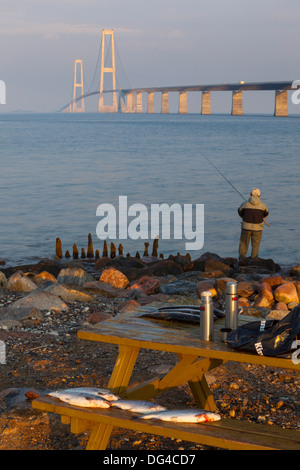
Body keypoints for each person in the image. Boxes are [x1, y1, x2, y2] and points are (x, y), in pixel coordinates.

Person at [238, 188, 269, 260]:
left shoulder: (245, 204)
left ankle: (241, 260)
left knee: (243, 244)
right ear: (259, 196)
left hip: (246, 227)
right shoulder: (263, 205)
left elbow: (240, 212)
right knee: (255, 245)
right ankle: (254, 259)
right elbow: (266, 214)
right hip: (258, 228)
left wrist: (244, 217)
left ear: (250, 195)